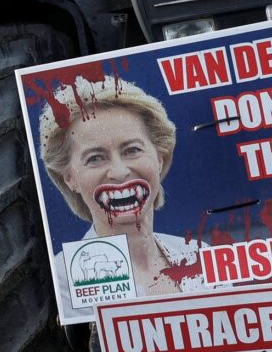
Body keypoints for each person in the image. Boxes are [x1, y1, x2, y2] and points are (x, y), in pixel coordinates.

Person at [38, 75, 202, 297]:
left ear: (160, 157)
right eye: (95, 158)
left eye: (132, 150)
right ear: (69, 178)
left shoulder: (198, 256)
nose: (119, 172)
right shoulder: (62, 282)